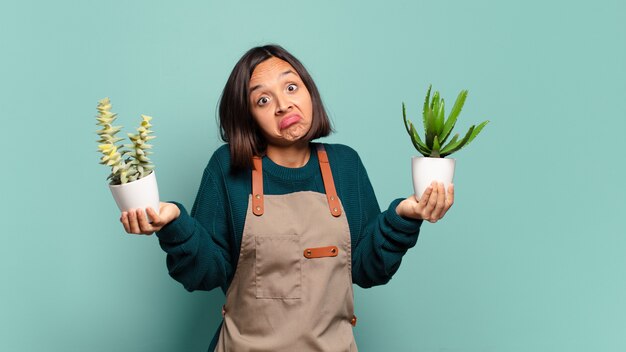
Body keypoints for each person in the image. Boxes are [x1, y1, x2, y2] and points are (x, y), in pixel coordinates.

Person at [120, 44, 454, 352]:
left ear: (309, 91)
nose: (283, 105)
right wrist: (175, 225)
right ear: (248, 117)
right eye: (262, 100)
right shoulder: (227, 168)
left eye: (291, 87)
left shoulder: (345, 165)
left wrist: (404, 216)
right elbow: (204, 274)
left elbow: (368, 269)